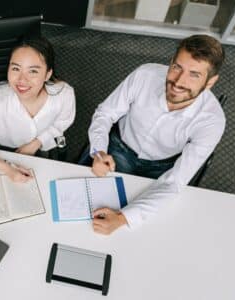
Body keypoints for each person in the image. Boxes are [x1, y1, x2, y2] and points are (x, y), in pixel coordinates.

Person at [84, 35, 226, 235]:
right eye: (177, 67)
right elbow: (105, 113)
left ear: (210, 82)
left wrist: (123, 219)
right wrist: (98, 150)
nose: (178, 82)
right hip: (118, 149)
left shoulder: (212, 121)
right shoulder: (145, 75)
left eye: (194, 74)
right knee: (88, 208)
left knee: (149, 229)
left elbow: (175, 181)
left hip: (161, 166)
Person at [0, 37, 76, 182]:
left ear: (47, 74)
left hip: (41, 149)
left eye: (33, 71)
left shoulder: (64, 94)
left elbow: (62, 122)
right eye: (15, 68)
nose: (22, 80)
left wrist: (37, 142)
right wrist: (8, 169)